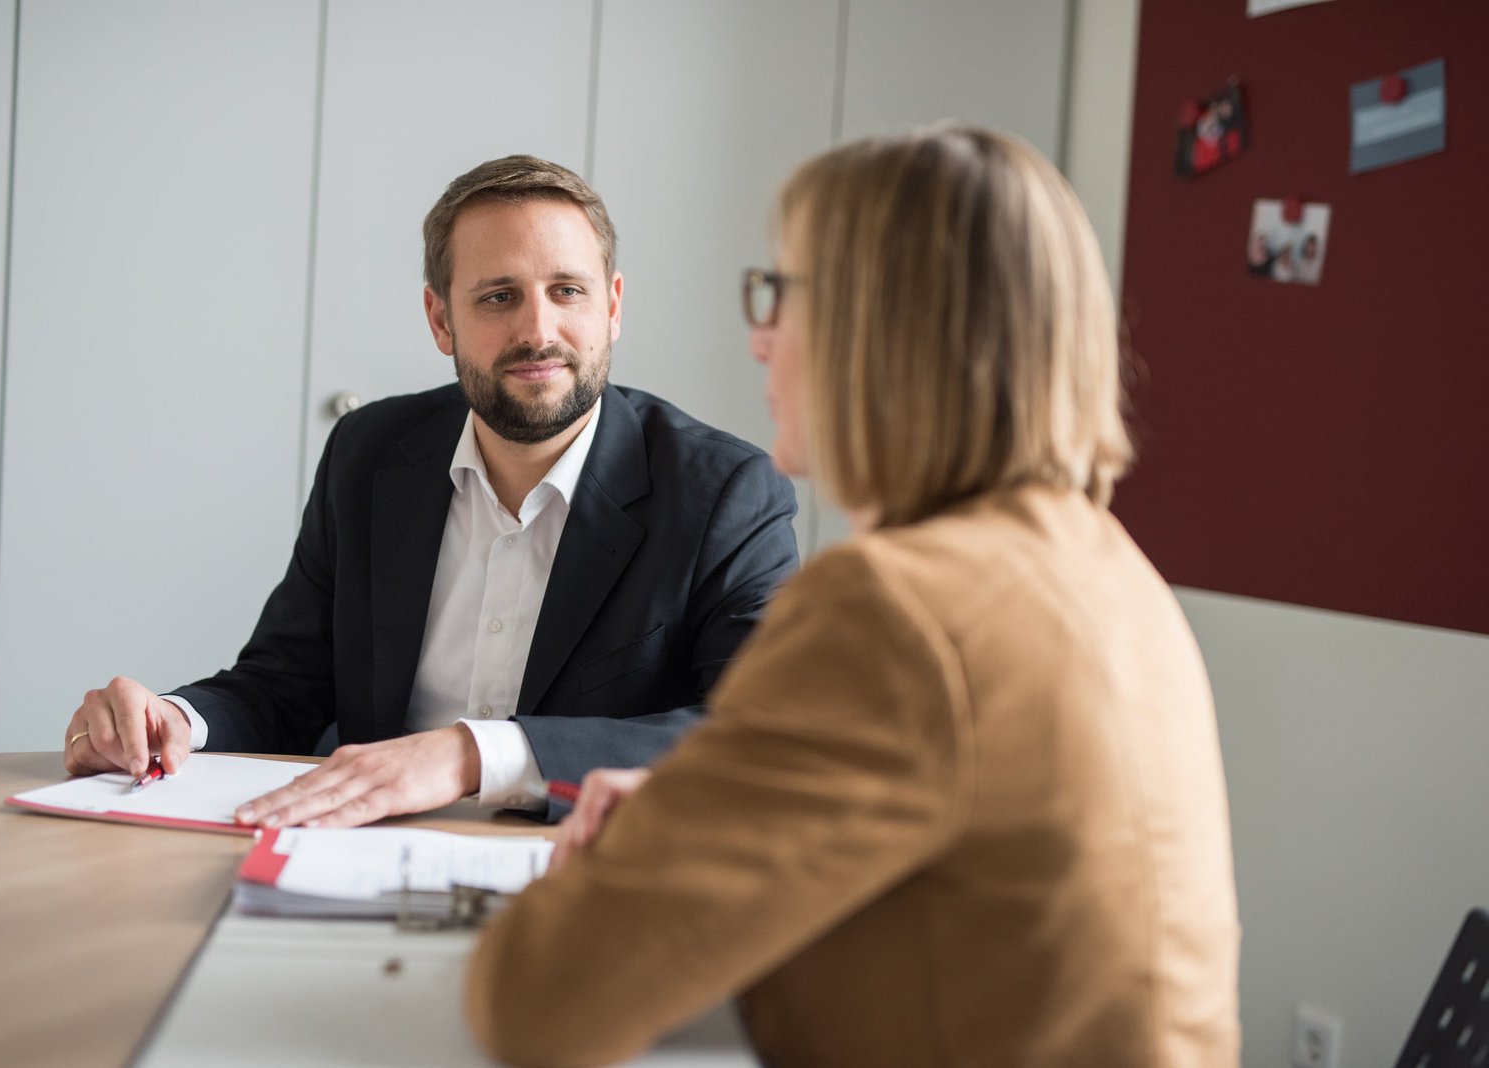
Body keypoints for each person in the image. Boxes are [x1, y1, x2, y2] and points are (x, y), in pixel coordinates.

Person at [467, 125, 1241, 1065]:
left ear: (879, 328)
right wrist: (701, 816)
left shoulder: (895, 609)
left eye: (779, 294)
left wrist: (635, 861)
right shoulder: (1102, 562)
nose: (760, 339)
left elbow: (534, 1001)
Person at [60, 155, 798, 826]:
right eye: (498, 297)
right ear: (440, 318)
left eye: (566, 291)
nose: (538, 331)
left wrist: (473, 755)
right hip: (355, 860)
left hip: (584, 878)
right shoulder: (369, 454)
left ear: (611, 307)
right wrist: (176, 724)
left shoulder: (725, 493)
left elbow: (758, 738)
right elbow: (286, 682)